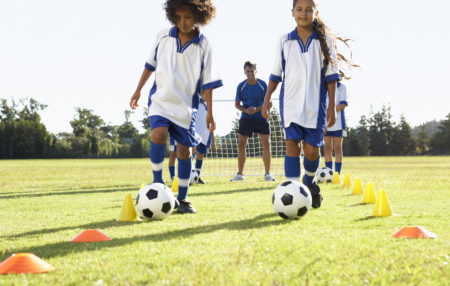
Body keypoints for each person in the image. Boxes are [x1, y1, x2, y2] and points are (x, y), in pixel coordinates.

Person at [129, 0, 222, 214]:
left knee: (184, 150)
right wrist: (138, 90)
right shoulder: (162, 36)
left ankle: (183, 198)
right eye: (178, 17)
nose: (183, 22)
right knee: (158, 135)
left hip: (186, 108)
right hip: (160, 101)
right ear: (172, 15)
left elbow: (208, 82)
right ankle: (158, 183)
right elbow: (149, 65)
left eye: (188, 17)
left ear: (199, 15)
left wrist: (210, 113)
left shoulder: (204, 45)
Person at [262, 0, 355, 208]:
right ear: (292, 12)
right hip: (290, 104)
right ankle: (294, 192)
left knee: (312, 151)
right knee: (292, 146)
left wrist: (331, 107)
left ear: (316, 12)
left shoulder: (325, 42)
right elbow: (276, 74)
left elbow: (332, 77)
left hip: (316, 107)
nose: (303, 13)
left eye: (308, 10)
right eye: (299, 9)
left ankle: (309, 182)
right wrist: (267, 98)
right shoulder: (284, 41)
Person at [231, 61, 275, 182]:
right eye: (248, 71)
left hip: (261, 117)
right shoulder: (241, 86)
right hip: (246, 118)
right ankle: (240, 175)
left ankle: (267, 174)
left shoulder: (263, 85)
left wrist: (257, 110)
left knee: (266, 144)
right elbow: (236, 104)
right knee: (241, 145)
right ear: (245, 72)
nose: (250, 73)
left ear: (256, 71)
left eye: (252, 71)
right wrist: (246, 110)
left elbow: (269, 103)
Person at [324, 71, 349, 175]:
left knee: (337, 148)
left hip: (338, 123)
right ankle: (329, 173)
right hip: (325, 123)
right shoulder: (324, 88)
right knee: (327, 148)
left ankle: (337, 174)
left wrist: (331, 111)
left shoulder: (342, 87)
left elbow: (343, 105)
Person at [193, 93, 216, 184]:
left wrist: (213, 141)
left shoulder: (209, 109)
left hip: (205, 136)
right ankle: (188, 175)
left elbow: (212, 125)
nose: (207, 97)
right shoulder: (196, 102)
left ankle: (197, 177)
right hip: (195, 134)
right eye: (205, 94)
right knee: (191, 153)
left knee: (200, 155)